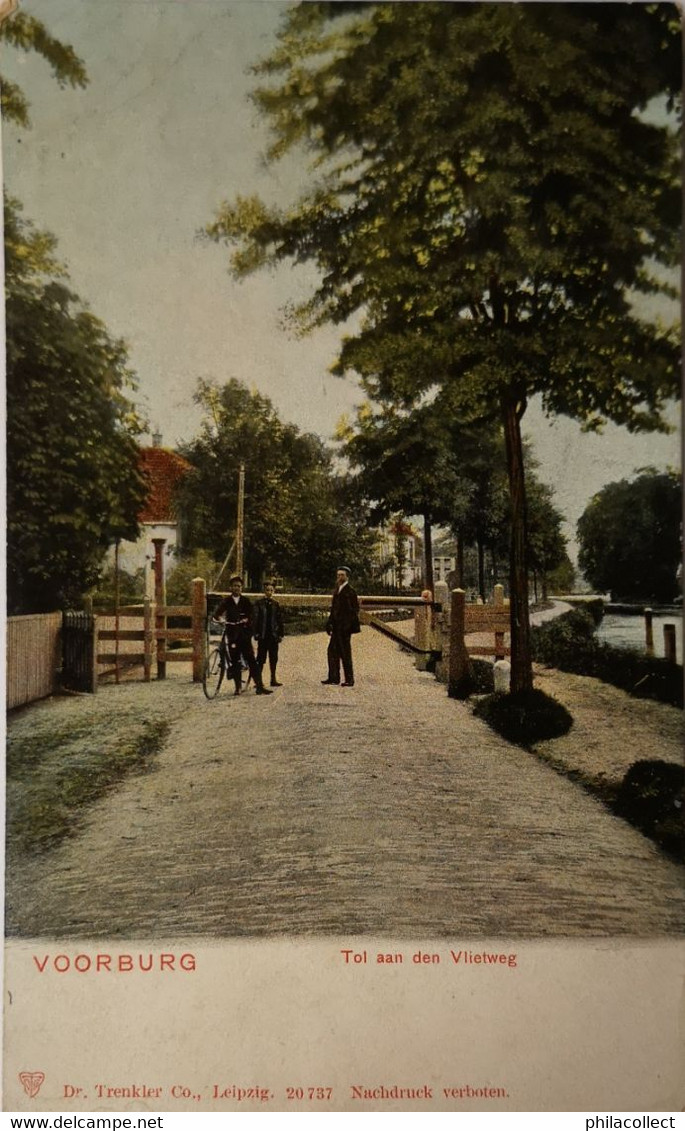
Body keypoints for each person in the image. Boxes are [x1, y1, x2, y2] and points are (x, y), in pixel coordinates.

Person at [214, 576, 272, 696]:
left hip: (244, 634)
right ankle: (238, 687)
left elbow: (252, 615)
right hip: (232, 634)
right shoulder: (227, 601)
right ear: (231, 587)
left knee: (251, 659)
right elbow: (217, 614)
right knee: (235, 661)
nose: (237, 588)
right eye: (234, 586)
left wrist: (246, 619)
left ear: (242, 588)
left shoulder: (245, 601)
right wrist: (221, 619)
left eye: (239, 586)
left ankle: (260, 686)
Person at [322, 566, 360, 688]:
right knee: (332, 651)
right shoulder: (337, 590)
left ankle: (349, 679)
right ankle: (334, 677)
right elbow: (334, 609)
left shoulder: (350, 591)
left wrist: (347, 626)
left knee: (345, 653)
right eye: (338, 575)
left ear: (347, 576)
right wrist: (329, 623)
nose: (339, 577)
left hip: (344, 628)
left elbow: (354, 610)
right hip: (336, 627)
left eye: (342, 575)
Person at [253, 580, 285, 687]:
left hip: (273, 636)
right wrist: (256, 633)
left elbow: (280, 621)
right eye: (267, 590)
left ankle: (273, 679)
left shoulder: (276, 604)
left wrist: (280, 634)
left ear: (274, 591)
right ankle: (259, 681)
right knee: (261, 659)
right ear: (264, 591)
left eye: (271, 590)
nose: (269, 592)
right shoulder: (259, 604)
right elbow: (256, 619)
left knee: (273, 658)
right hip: (263, 635)